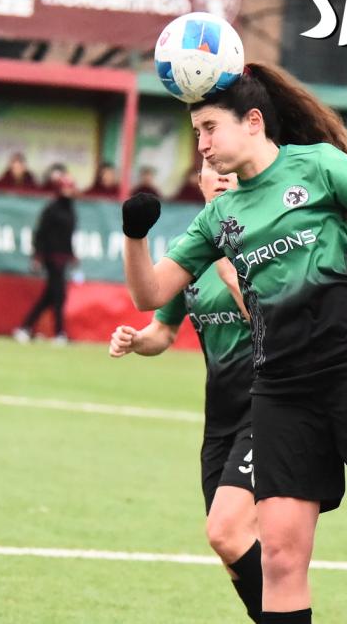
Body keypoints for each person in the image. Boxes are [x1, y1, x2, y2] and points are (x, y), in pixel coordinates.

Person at [120, 63, 347, 624]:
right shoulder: (218, 217)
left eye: (210, 129)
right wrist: (135, 236)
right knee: (280, 558)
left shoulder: (319, 165)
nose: (202, 145)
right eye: (196, 134)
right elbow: (149, 294)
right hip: (281, 391)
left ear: (253, 121)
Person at [109, 161, 260, 622]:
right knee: (232, 550)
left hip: (273, 405)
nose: (221, 174)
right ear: (199, 181)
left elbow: (277, 326)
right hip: (222, 417)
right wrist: (138, 340)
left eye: (229, 167)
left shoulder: (267, 241)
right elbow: (163, 329)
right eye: (211, 167)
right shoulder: (189, 252)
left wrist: (229, 267)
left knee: (228, 533)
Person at [13, 175, 78, 345]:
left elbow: (68, 236)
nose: (68, 191)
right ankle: (59, 333)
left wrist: (72, 255)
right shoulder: (52, 209)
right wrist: (38, 256)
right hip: (51, 257)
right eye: (65, 187)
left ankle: (25, 328)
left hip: (63, 257)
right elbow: (40, 233)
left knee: (49, 297)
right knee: (58, 295)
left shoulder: (71, 209)